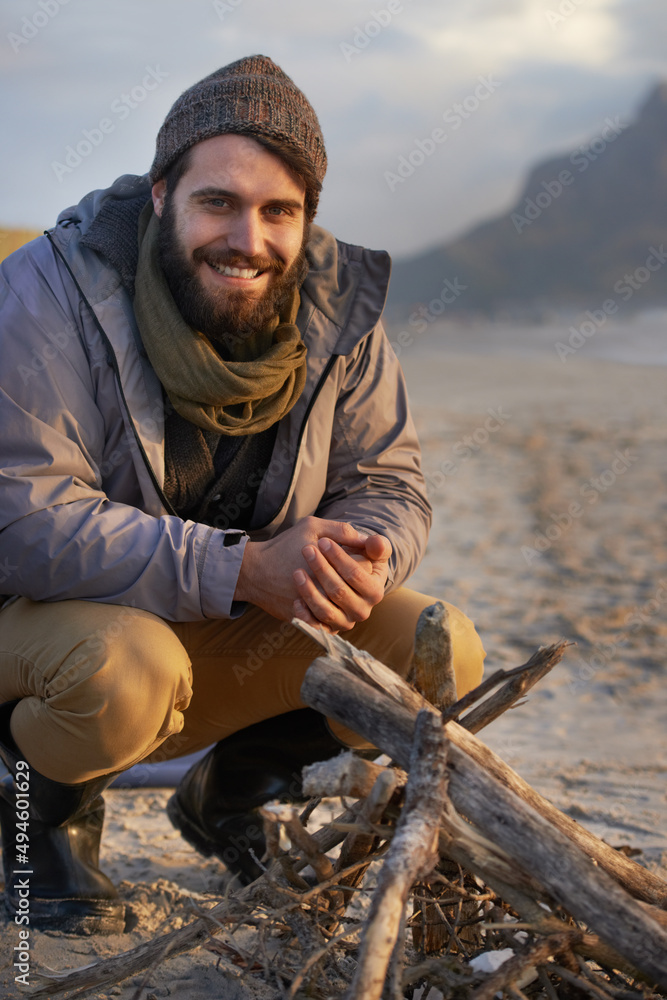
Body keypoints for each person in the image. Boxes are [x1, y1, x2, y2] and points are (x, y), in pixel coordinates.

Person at [0, 55, 485, 935]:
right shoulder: (47, 291)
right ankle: (43, 822)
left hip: (209, 626)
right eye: (217, 201)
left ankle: (226, 796)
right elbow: (24, 520)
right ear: (160, 196)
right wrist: (246, 568)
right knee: (124, 671)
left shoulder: (340, 311)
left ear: (306, 219)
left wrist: (361, 554)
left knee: (433, 647)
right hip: (38, 627)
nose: (247, 239)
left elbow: (388, 480)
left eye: (277, 211)